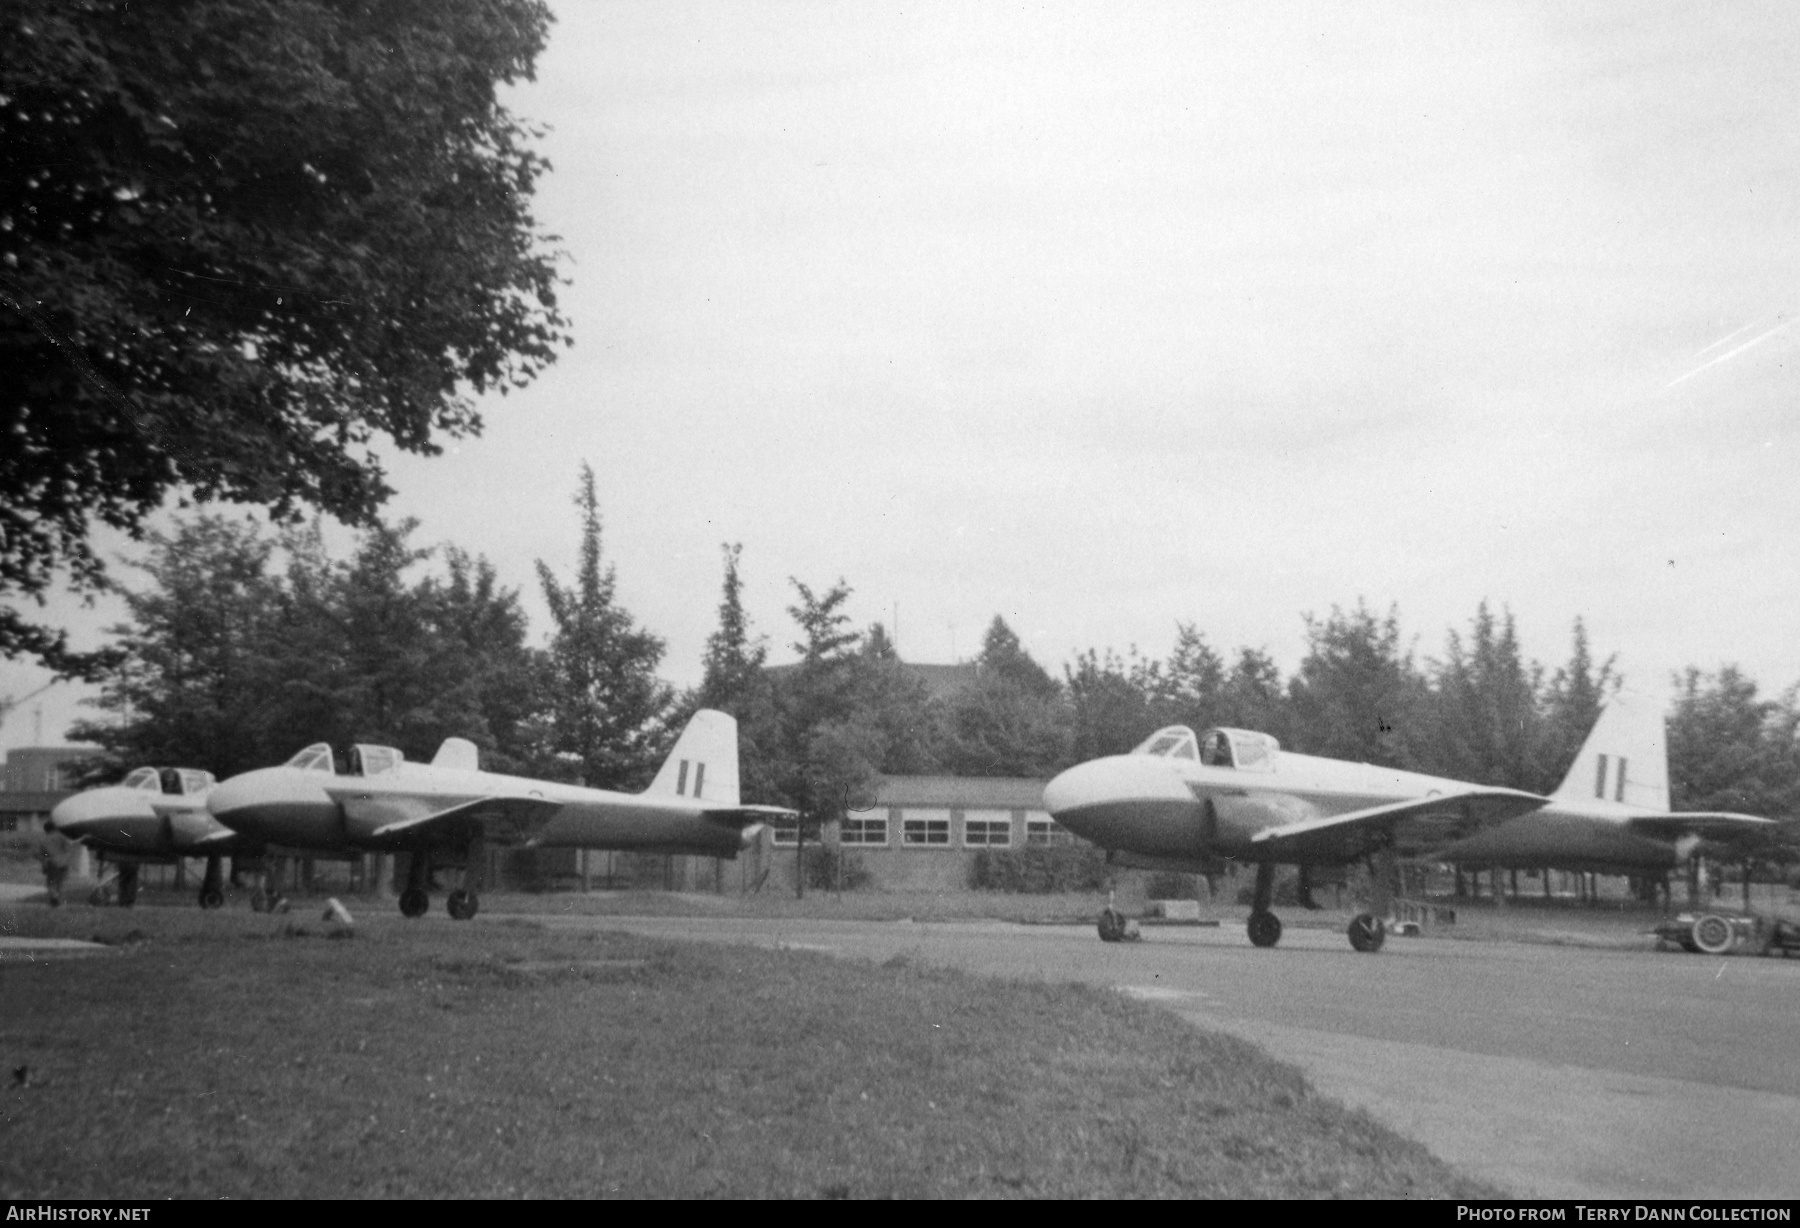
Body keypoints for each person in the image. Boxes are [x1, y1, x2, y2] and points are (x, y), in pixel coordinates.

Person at [37, 817, 74, 907]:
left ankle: (55, 897)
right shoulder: (62, 837)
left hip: (52, 863)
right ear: (54, 828)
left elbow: (43, 855)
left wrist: (44, 866)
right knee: (60, 883)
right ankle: (57, 901)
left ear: (45, 829)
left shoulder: (43, 840)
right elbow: (68, 849)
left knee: (51, 883)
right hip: (64, 863)